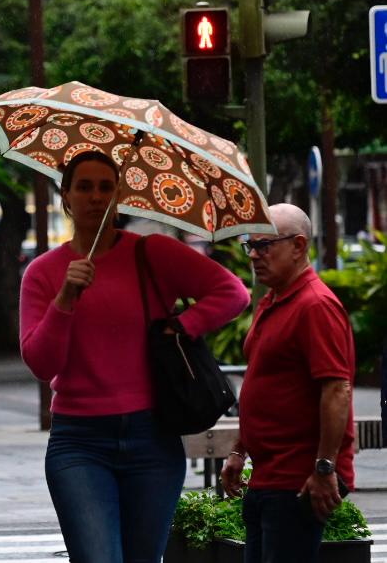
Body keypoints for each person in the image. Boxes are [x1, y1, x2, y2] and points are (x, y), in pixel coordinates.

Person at [19, 151, 250, 563]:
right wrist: (65, 300)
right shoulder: (44, 272)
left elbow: (234, 293)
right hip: (79, 442)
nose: (95, 197)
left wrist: (181, 326)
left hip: (153, 438)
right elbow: (41, 363)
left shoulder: (153, 253)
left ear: (119, 196)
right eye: (84, 187)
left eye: (106, 187)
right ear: (66, 197)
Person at [220, 203, 355, 563]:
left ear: (298, 246)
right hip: (267, 475)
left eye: (264, 245)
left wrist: (325, 468)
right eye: (249, 244)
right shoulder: (271, 301)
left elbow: (336, 390)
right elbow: (263, 382)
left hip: (298, 478)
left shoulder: (315, 306)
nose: (253, 254)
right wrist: (239, 450)